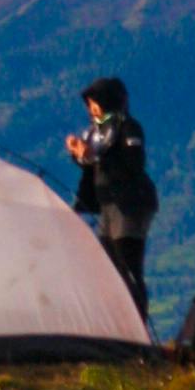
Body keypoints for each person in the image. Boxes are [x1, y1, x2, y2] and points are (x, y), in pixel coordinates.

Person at [66, 76, 158, 319]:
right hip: (106, 206)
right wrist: (78, 154)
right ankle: (119, 322)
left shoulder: (128, 127)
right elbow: (93, 166)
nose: (90, 108)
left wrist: (95, 157)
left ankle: (138, 324)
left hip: (130, 205)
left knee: (128, 266)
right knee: (109, 266)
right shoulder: (95, 132)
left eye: (94, 102)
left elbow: (133, 165)